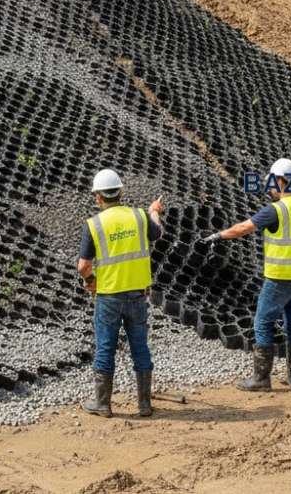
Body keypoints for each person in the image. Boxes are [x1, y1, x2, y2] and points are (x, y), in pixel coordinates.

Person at [202, 158, 291, 391]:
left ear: (281, 181)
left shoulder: (276, 210)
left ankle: (261, 379)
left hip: (279, 277)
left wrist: (217, 236)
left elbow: (243, 228)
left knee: (262, 322)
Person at [77, 169, 164, 418]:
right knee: (140, 347)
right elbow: (158, 233)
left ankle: (102, 404)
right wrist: (154, 212)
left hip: (109, 296)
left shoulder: (94, 224)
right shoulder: (139, 216)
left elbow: (83, 266)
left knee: (106, 348)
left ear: (98, 197)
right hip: (138, 295)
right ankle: (144, 405)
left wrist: (90, 280)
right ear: (121, 192)